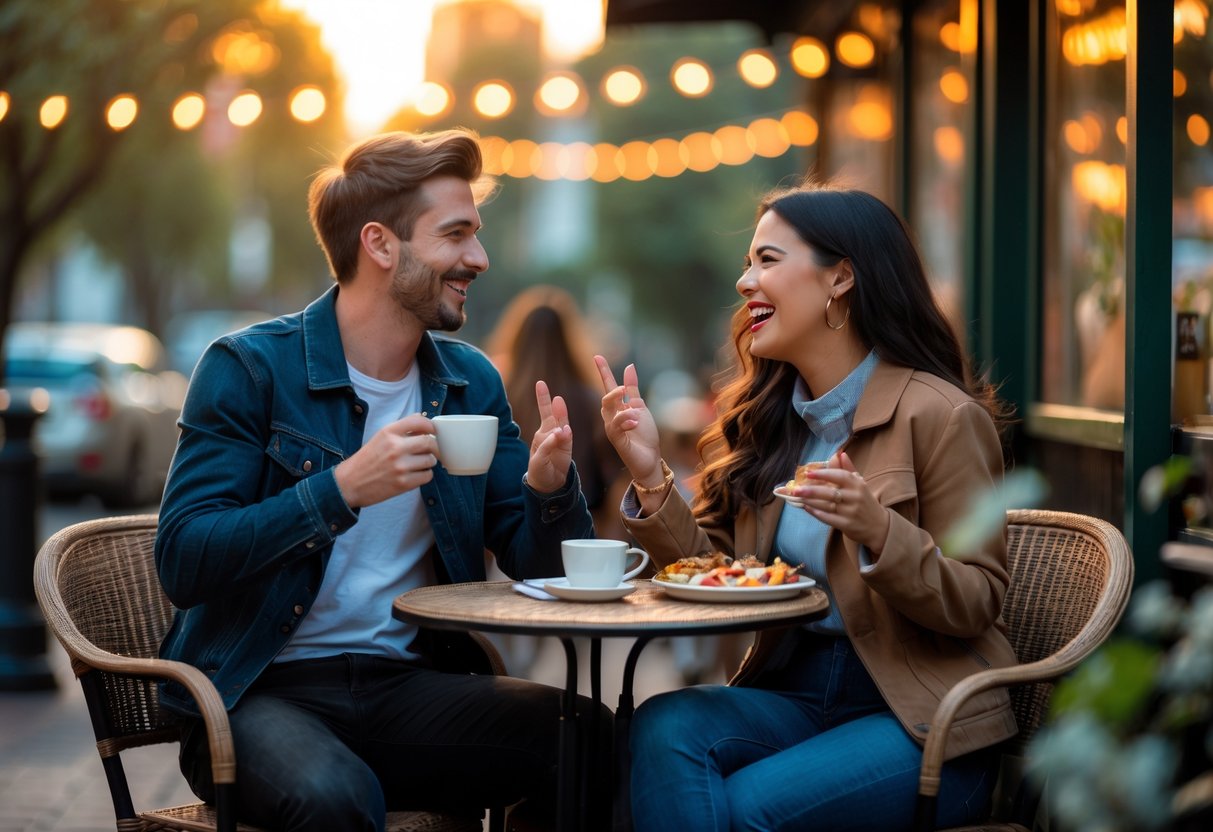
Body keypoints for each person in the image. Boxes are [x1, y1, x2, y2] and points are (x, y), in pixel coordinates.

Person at [154, 129, 609, 832]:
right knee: (336, 797)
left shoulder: (469, 382)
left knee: (587, 738)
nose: (478, 259)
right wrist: (340, 490)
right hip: (255, 692)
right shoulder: (247, 369)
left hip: (407, 686)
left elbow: (543, 573)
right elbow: (185, 559)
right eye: (455, 235)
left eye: (476, 236)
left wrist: (549, 491)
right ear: (379, 244)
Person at [595, 182, 1017, 831]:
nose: (743, 282)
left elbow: (976, 600)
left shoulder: (940, 415)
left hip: (919, 715)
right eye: (748, 262)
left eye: (766, 260)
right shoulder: (775, 423)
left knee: (741, 808)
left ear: (840, 277)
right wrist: (649, 472)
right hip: (794, 689)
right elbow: (714, 572)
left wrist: (878, 531)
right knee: (663, 724)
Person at [486, 284, 627, 543]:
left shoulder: (498, 395)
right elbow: (614, 476)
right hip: (583, 531)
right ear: (569, 338)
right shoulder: (592, 400)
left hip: (513, 533)